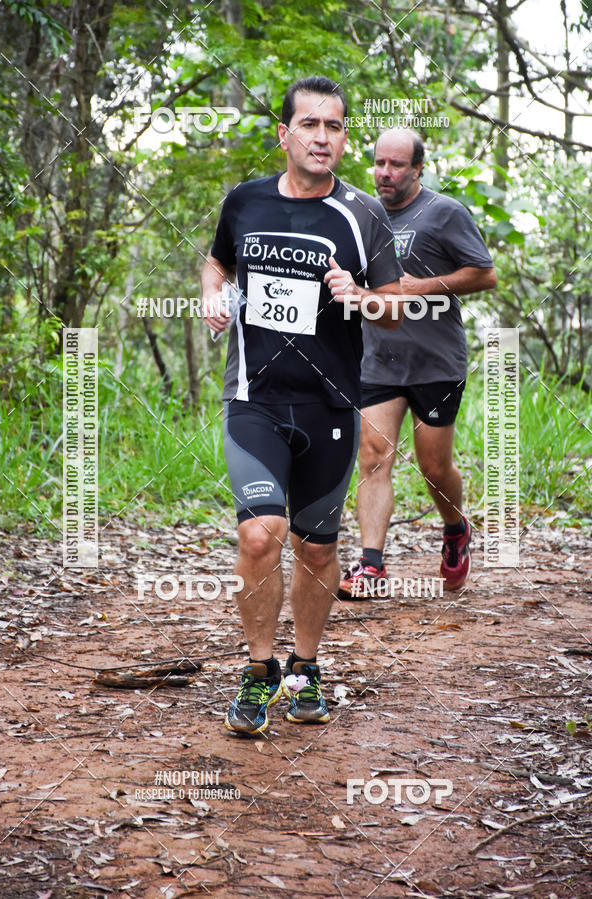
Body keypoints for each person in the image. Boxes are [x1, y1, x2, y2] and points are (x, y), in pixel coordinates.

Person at [201, 77, 404, 735]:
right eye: (310, 125)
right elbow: (217, 265)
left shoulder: (363, 215)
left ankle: (304, 666)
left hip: (331, 406)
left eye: (335, 126)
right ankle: (259, 672)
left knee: (317, 550)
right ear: (284, 134)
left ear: (345, 137)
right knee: (260, 532)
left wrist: (361, 295)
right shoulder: (245, 202)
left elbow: (398, 309)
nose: (323, 137)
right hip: (254, 398)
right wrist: (214, 296)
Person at [339, 127, 497, 599]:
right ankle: (371, 565)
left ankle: (455, 528)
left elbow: (485, 275)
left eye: (396, 165)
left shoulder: (443, 212)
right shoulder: (360, 214)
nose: (385, 174)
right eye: (379, 164)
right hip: (378, 359)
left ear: (418, 168)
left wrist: (419, 286)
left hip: (436, 362)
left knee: (433, 467)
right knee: (373, 457)